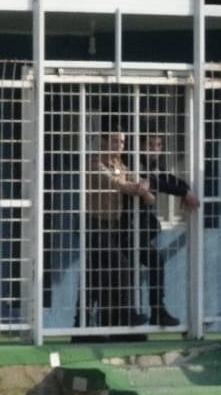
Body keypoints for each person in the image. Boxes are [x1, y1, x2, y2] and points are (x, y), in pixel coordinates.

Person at [130, 132, 200, 329]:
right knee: (135, 267)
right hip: (125, 229)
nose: (155, 148)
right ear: (141, 145)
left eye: (159, 145)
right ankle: (148, 312)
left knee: (149, 264)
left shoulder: (152, 167)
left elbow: (165, 179)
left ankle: (155, 311)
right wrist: (184, 192)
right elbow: (153, 182)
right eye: (150, 144)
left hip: (138, 228)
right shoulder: (134, 162)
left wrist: (185, 190)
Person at [85, 129, 149, 330]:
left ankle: (104, 324)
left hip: (113, 226)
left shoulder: (120, 165)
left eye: (122, 142)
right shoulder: (95, 164)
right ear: (103, 141)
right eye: (114, 141)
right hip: (95, 224)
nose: (119, 145)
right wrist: (139, 188)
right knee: (119, 266)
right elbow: (118, 184)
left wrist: (145, 192)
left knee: (97, 278)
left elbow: (135, 185)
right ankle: (127, 313)